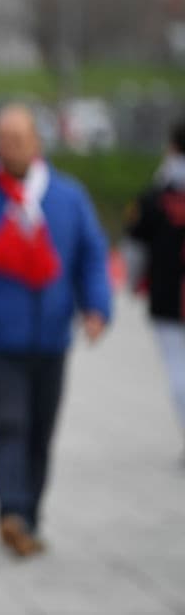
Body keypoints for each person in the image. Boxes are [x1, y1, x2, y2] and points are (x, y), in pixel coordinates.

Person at [0, 104, 111, 558]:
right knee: (9, 424)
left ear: (37, 142)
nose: (11, 147)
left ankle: (29, 517)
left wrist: (96, 307)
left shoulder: (67, 197)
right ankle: (10, 512)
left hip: (51, 338)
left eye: (19, 138)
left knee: (40, 433)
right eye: (3, 139)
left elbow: (91, 257)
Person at [125, 119, 185, 456]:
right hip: (169, 294)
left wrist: (132, 284)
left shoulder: (157, 195)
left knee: (178, 367)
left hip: (166, 293)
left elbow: (135, 246)